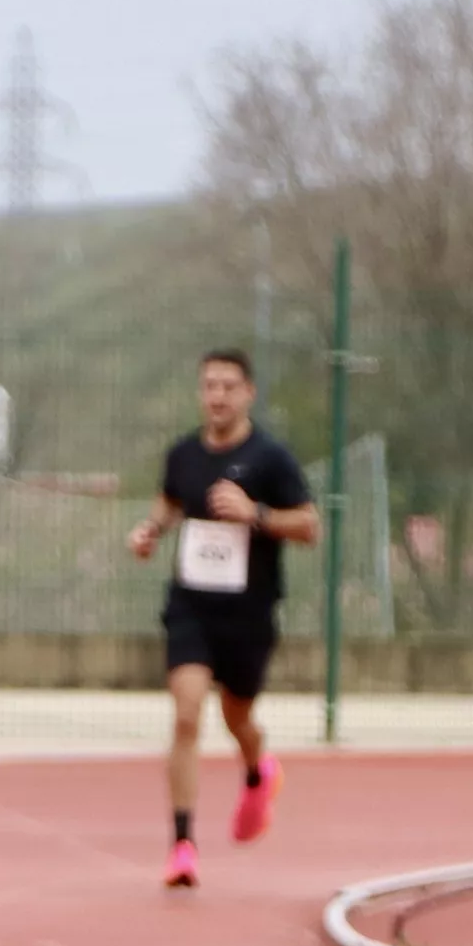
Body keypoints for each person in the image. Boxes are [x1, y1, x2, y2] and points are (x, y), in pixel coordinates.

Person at [127, 349, 320, 885]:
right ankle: (183, 844)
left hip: (249, 613)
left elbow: (310, 526)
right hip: (190, 606)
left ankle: (259, 773)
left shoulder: (271, 459)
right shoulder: (183, 454)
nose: (217, 396)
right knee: (187, 715)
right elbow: (169, 503)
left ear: (248, 394)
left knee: (238, 719)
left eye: (228, 387)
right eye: (209, 385)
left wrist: (254, 514)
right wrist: (149, 531)